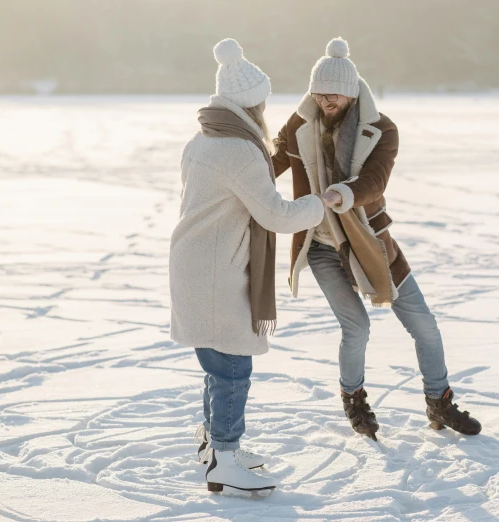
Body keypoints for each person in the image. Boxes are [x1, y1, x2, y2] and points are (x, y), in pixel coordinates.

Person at [272, 37, 481, 440]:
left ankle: (439, 401)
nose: (323, 101)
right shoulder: (300, 123)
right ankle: (354, 399)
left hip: (370, 241)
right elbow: (271, 163)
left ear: (350, 93)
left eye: (331, 94)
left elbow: (375, 179)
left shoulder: (381, 129)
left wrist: (342, 194)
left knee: (425, 326)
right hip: (320, 246)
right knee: (357, 328)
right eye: (317, 93)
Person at [169, 38, 340, 496]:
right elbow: (276, 215)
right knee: (231, 368)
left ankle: (215, 445)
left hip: (197, 262)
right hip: (215, 272)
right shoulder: (240, 150)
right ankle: (224, 457)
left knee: (216, 363)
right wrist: (318, 204)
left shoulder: (203, 138)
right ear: (252, 105)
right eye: (262, 102)